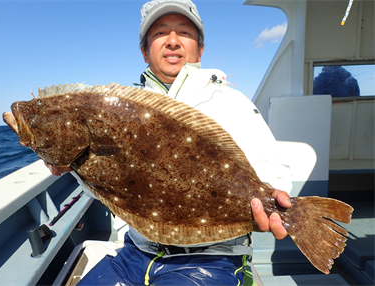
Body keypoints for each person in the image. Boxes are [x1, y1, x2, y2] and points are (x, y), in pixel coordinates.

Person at [42, 1, 292, 285]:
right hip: (134, 253)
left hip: (212, 259)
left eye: (184, 32)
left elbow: (273, 174)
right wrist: (72, 166)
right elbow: (111, 185)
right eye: (161, 32)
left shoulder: (231, 102)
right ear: (144, 51)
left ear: (200, 48)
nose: (172, 41)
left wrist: (272, 205)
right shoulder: (122, 111)